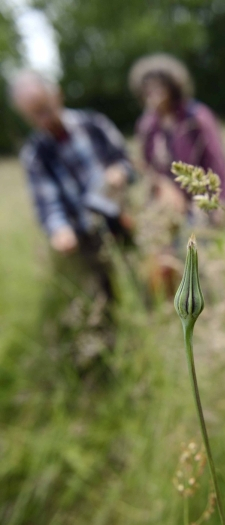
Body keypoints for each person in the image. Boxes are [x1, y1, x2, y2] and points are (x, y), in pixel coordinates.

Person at [10, 70, 135, 364]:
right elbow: (48, 202)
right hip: (85, 237)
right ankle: (116, 357)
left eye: (44, 107)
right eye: (33, 114)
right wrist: (59, 230)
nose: (43, 118)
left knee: (145, 278)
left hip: (124, 218)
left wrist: (120, 172)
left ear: (56, 95)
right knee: (102, 300)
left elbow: (127, 161)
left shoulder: (93, 124)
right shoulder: (35, 154)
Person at [128, 53, 225, 297]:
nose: (153, 93)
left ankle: (211, 309)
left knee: (197, 260)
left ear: (173, 86)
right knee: (160, 262)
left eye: (158, 86)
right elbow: (145, 166)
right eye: (147, 88)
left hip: (197, 202)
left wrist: (219, 201)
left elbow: (217, 160)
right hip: (164, 205)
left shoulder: (196, 117)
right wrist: (158, 186)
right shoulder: (147, 126)